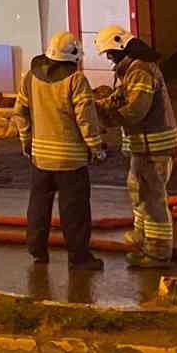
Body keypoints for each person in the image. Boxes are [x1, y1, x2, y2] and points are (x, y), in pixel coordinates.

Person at [12, 31, 107, 271]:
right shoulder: (76, 80)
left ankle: (37, 251)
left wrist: (26, 141)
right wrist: (96, 147)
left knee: (38, 207)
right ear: (74, 57)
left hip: (40, 159)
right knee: (74, 212)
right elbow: (85, 118)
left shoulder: (29, 78)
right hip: (71, 162)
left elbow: (20, 113)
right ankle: (79, 259)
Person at [95, 25, 177, 269]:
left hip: (154, 146)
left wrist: (106, 117)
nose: (110, 59)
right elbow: (118, 99)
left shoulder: (140, 70)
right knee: (139, 193)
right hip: (141, 146)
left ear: (122, 47)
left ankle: (158, 251)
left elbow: (135, 111)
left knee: (152, 198)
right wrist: (96, 106)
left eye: (111, 54)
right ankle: (143, 239)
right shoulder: (130, 70)